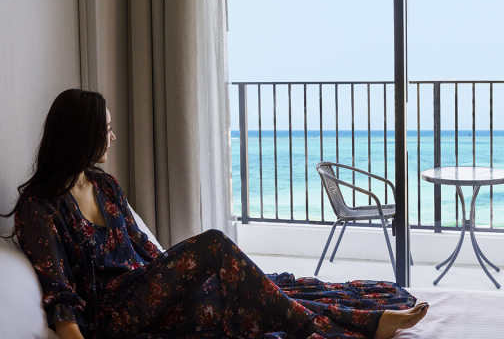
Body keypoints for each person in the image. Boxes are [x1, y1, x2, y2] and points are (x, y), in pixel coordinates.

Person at [3, 89, 428, 339]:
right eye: (106, 130)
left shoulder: (104, 185)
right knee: (214, 244)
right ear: (80, 136)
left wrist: (182, 277)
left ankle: (360, 321)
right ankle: (329, 328)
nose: (113, 138)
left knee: (248, 292)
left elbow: (145, 248)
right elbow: (60, 294)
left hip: (149, 292)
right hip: (115, 314)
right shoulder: (40, 208)